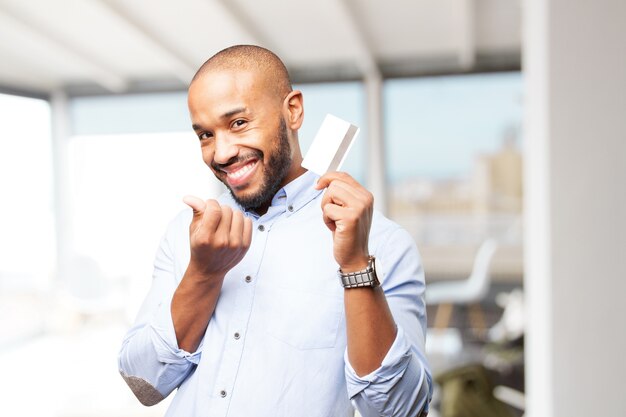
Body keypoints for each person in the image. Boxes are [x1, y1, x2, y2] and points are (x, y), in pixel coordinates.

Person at [118, 45, 432, 417]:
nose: (220, 153)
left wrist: (355, 267)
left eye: (238, 123)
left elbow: (399, 411)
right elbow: (144, 384)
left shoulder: (382, 243)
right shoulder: (189, 233)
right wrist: (203, 275)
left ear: (293, 110)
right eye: (205, 134)